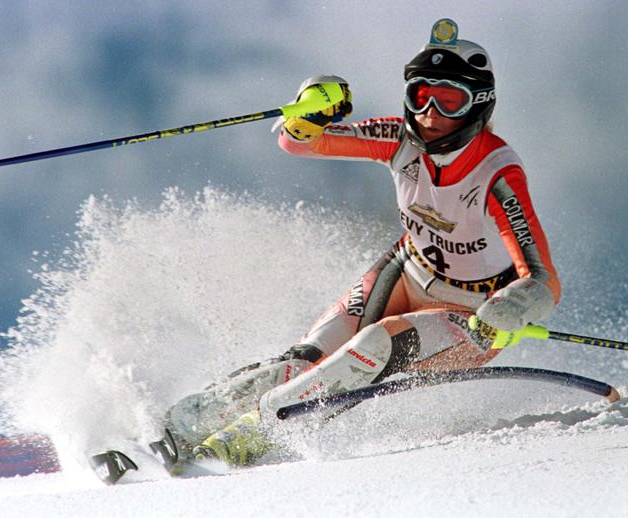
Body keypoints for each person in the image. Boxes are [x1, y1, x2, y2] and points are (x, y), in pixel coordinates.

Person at [164, 18, 561, 467]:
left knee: (372, 347)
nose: (430, 113)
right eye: (421, 96)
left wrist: (513, 306)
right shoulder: (398, 138)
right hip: (406, 271)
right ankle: (183, 423)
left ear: (479, 106)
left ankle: (260, 433)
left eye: (449, 101)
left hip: (473, 314)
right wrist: (308, 114)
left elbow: (543, 281)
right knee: (304, 360)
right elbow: (301, 144)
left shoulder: (497, 172)